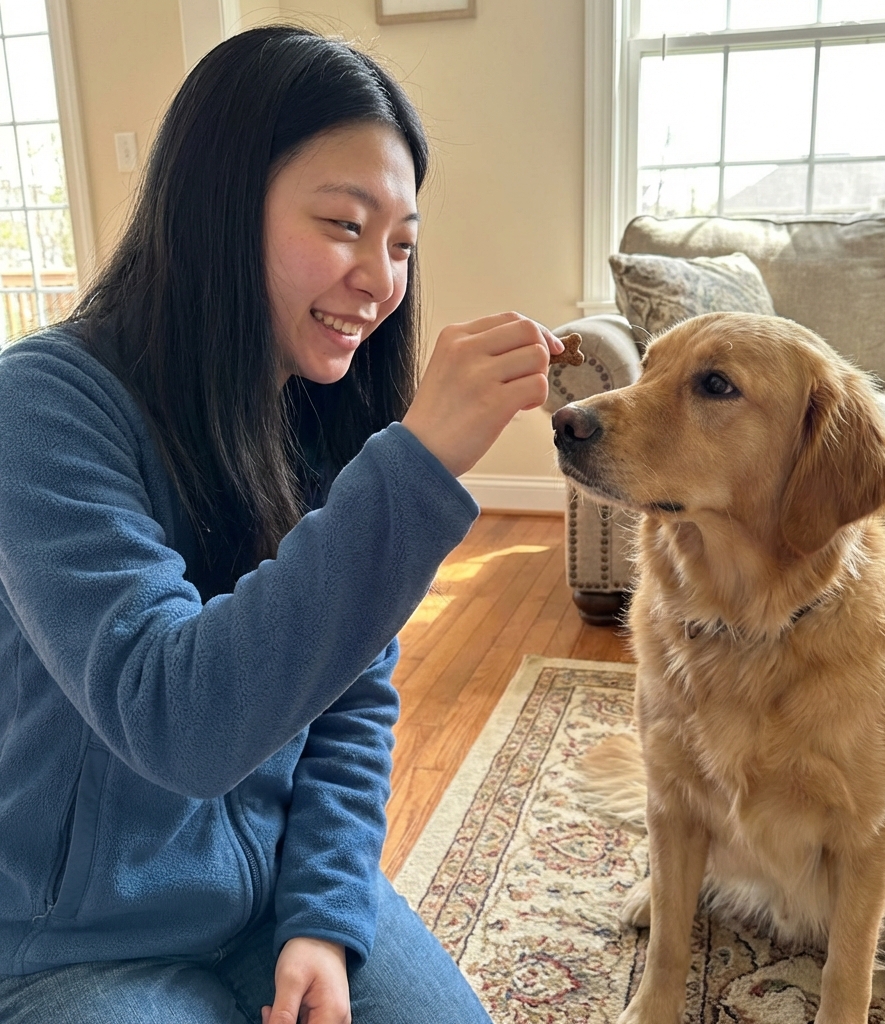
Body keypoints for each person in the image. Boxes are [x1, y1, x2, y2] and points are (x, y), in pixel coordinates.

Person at [0, 25, 563, 1024]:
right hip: (73, 945)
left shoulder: (321, 407)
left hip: (270, 902)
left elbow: (352, 700)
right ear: (218, 205)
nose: (383, 282)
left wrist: (322, 915)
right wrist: (419, 463)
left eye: (401, 245)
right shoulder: (40, 409)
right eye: (345, 226)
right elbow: (176, 719)